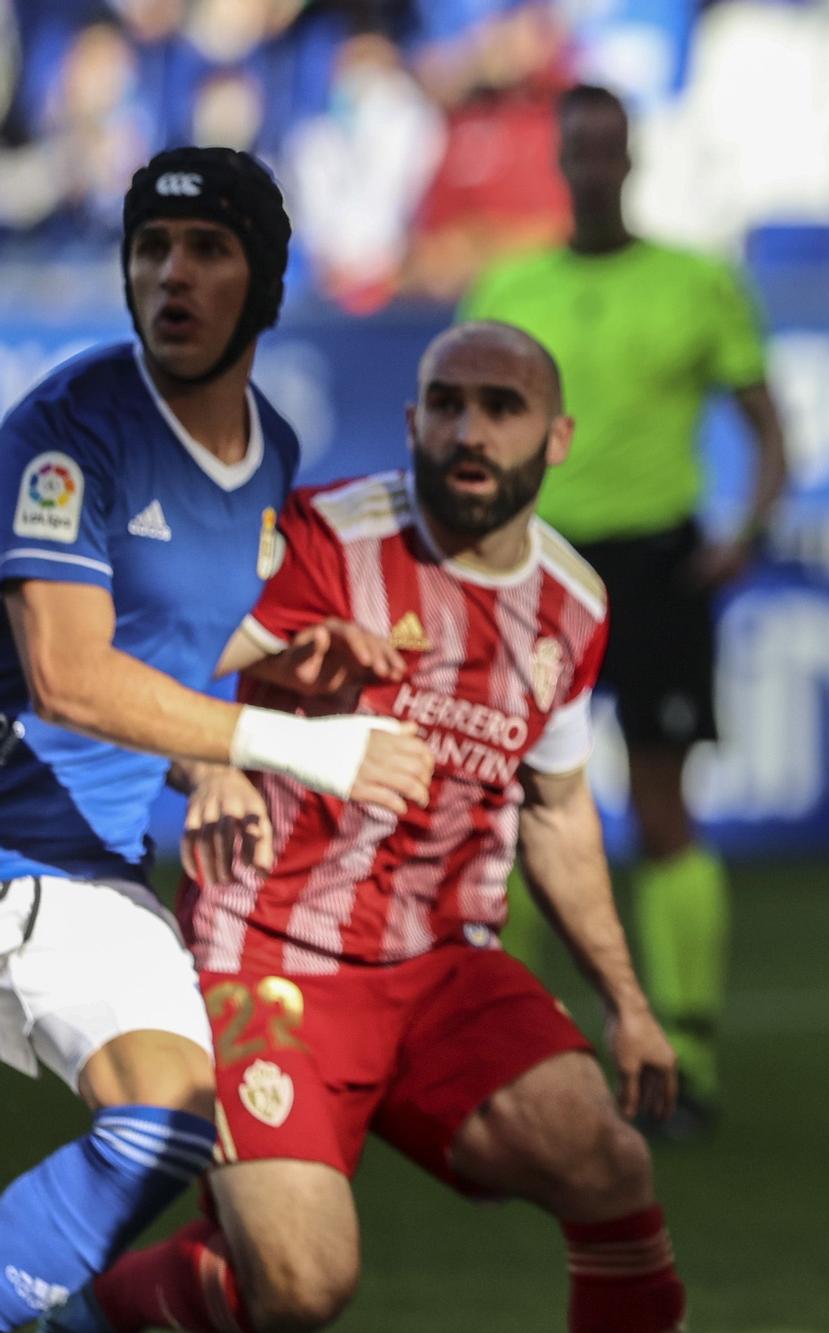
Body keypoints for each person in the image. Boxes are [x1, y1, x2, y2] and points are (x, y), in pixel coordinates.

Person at [41, 321, 687, 1333]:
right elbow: (141, 671)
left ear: (555, 438)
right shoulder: (314, 542)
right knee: (300, 1285)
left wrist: (628, 1000)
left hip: (441, 967)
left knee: (606, 1162)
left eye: (501, 408)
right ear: (411, 419)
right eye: (447, 404)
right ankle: (93, 1319)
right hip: (265, 958)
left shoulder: (573, 603)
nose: (469, 430)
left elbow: (557, 810)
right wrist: (209, 763)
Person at [0, 146, 434, 1327]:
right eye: (151, 248)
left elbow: (173, 627)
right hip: (15, 837)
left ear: (267, 282)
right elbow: (70, 675)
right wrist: (296, 746)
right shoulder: (66, 433)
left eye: (207, 249)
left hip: (81, 863)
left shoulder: (271, 454)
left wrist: (290, 655)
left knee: (169, 1115)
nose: (171, 274)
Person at [459, 83, 789, 1133]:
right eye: (579, 151)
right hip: (536, 566)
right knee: (519, 810)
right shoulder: (508, 283)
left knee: (659, 808)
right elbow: (463, 437)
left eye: (608, 149)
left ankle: (681, 1057)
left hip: (653, 565)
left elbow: (768, 428)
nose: (594, 167)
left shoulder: (698, 283)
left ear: (630, 157)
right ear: (560, 161)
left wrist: (749, 531)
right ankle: (517, 1056)